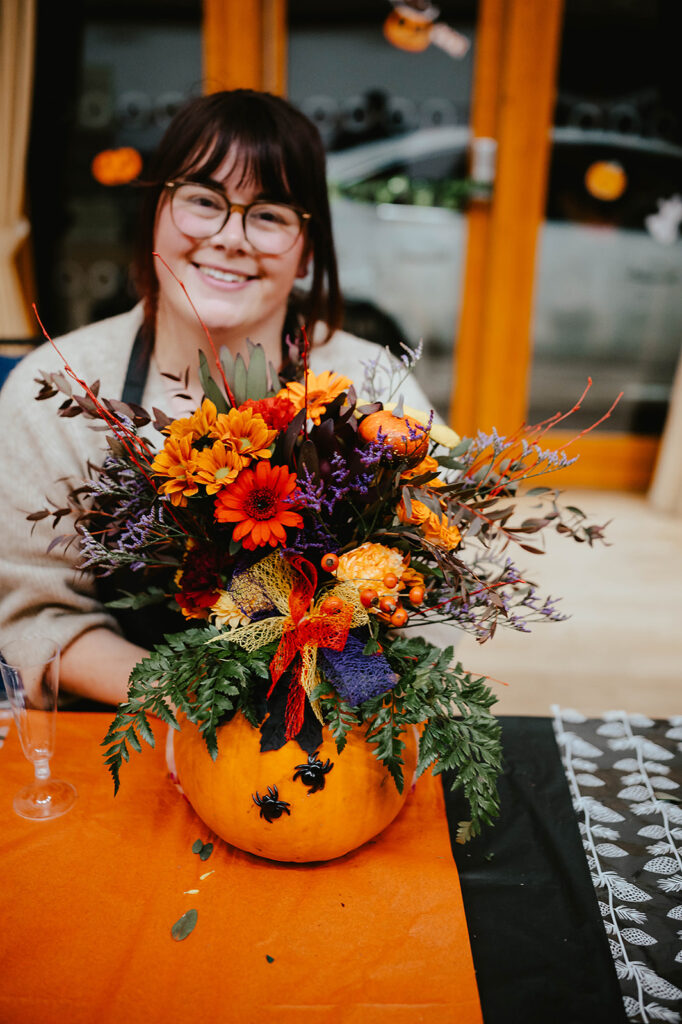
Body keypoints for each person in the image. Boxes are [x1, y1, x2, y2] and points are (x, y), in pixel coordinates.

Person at [0, 89, 434, 707]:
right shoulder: (54, 390)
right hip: (126, 728)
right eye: (204, 201)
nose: (232, 237)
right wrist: (195, 706)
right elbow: (34, 618)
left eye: (270, 214)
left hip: (323, 728)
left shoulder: (376, 389)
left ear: (307, 249)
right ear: (155, 209)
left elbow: (419, 608)